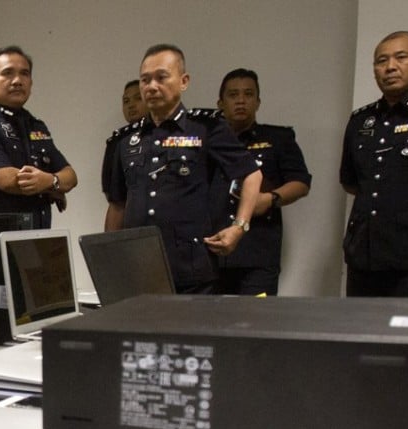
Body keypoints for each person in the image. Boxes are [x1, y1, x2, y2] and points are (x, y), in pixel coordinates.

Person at [105, 44, 262, 294]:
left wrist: (239, 227)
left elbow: (251, 174)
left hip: (191, 267)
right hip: (139, 267)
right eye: (145, 80)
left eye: (161, 77)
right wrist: (110, 259)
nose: (152, 86)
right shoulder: (125, 140)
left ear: (184, 81)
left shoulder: (206, 128)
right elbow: (117, 205)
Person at [214, 68, 312, 295]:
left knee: (255, 322)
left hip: (258, 250)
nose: (241, 101)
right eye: (233, 95)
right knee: (210, 323)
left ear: (258, 102)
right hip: (213, 248)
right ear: (220, 102)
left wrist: (269, 199)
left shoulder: (278, 139)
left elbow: (301, 183)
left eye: (248, 94)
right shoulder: (208, 142)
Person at [340, 30, 408, 297]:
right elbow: (351, 182)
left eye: (401, 57)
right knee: (360, 334)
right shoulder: (360, 120)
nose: (390, 67)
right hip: (365, 254)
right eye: (381, 61)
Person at [0, 45, 77, 229]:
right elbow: (6, 180)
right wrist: (53, 187)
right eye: (8, 73)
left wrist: (50, 181)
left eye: (24, 73)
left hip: (39, 236)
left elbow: (70, 176)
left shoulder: (36, 125)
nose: (17, 80)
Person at [101, 80, 147, 205]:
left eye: (138, 98)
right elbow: (110, 191)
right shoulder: (117, 141)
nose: (131, 105)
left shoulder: (163, 134)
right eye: (126, 101)